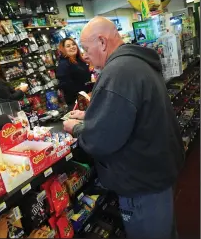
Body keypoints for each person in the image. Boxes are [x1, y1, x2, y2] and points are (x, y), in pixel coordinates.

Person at [63, 17, 184, 239]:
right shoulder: (133, 62)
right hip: (155, 173)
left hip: (141, 184)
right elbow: (130, 110)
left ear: (101, 42)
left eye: (86, 48)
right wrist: (91, 114)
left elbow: (101, 139)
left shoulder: (118, 71)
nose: (84, 54)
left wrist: (76, 128)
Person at [56, 38, 91, 109]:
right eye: (68, 46)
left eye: (73, 44)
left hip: (87, 97)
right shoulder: (64, 64)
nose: (72, 47)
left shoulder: (80, 60)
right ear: (63, 49)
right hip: (77, 102)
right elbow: (66, 86)